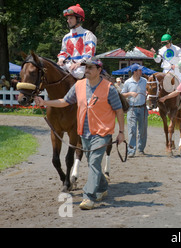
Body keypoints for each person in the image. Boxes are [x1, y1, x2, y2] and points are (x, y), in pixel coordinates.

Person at [34, 59, 125, 210]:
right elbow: (64, 101)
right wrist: (45, 103)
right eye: (85, 67)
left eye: (90, 67)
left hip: (102, 133)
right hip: (85, 132)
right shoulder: (79, 85)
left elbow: (119, 110)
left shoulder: (109, 89)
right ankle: (102, 188)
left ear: (99, 69)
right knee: (92, 163)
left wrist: (121, 132)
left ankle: (88, 197)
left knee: (94, 163)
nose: (86, 70)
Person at [57, 4, 97, 79]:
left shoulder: (88, 34)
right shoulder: (66, 37)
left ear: (79, 19)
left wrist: (79, 63)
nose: (68, 21)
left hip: (82, 66)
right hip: (68, 65)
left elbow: (89, 54)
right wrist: (61, 60)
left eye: (71, 18)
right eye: (68, 18)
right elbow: (63, 52)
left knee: (78, 74)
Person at [121, 64, 148, 157]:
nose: (141, 72)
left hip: (143, 108)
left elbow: (150, 90)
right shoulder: (128, 82)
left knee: (143, 130)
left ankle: (141, 149)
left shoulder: (145, 81)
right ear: (135, 72)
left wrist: (148, 92)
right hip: (132, 109)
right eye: (139, 70)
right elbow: (122, 94)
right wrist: (130, 93)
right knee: (132, 130)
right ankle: (131, 151)